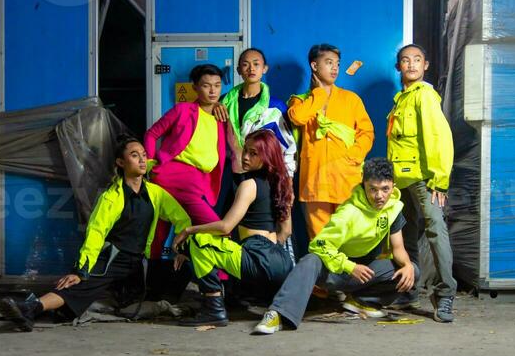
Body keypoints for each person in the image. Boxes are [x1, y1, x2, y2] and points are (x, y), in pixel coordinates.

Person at [0, 136, 190, 331]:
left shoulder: (155, 193)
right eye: (134, 155)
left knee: (185, 267)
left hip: (140, 263)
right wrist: (80, 270)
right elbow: (96, 233)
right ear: (121, 162)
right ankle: (31, 308)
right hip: (114, 259)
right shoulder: (111, 197)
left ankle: (156, 303)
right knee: (79, 285)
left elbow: (183, 220)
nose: (142, 160)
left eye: (143, 155)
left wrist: (182, 248)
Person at [253, 157, 416, 334]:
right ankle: (277, 313)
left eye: (385, 189)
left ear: (393, 186)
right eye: (373, 189)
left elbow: (398, 247)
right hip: (336, 272)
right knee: (310, 260)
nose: (379, 196)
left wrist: (407, 265)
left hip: (364, 271)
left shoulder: (393, 208)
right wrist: (349, 266)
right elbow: (318, 245)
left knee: (412, 270)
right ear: (364, 184)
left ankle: (361, 301)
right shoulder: (348, 212)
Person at [172, 129, 294, 327]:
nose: (245, 157)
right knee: (225, 248)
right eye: (245, 150)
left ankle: (213, 309)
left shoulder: (249, 185)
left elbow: (225, 226)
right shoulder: (281, 185)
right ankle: (251, 297)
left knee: (199, 241)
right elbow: (286, 231)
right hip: (281, 263)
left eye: (253, 153)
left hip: (258, 256)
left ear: (267, 156)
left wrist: (188, 231)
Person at [386, 43, 456, 323]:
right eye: (405, 60)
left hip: (424, 179)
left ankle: (445, 294)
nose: (411, 64)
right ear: (398, 67)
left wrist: (439, 180)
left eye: (417, 60)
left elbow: (438, 137)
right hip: (401, 182)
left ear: (425, 66)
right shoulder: (401, 99)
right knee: (406, 236)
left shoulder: (424, 96)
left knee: (436, 232)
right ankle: (410, 289)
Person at [287, 43, 374, 238]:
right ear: (314, 66)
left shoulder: (351, 99)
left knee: (350, 239)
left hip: (346, 179)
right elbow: (298, 118)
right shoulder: (300, 101)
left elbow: (367, 132)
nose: (335, 68)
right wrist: (318, 94)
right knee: (320, 242)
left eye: (337, 63)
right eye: (328, 62)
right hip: (314, 182)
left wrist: (353, 156)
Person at [143, 63, 228, 257]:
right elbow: (151, 134)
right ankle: (221, 280)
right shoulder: (183, 110)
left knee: (161, 231)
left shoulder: (221, 116)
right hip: (173, 174)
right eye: (206, 85)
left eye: (217, 85)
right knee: (215, 228)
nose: (213, 90)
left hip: (200, 180)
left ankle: (154, 282)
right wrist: (148, 164)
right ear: (195, 88)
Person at [214, 47, 296, 179]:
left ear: (264, 69)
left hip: (264, 177)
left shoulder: (275, 108)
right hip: (231, 175)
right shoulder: (225, 103)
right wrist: (214, 104)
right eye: (245, 64)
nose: (251, 68)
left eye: (256, 64)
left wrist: (288, 181)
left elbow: (288, 148)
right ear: (239, 70)